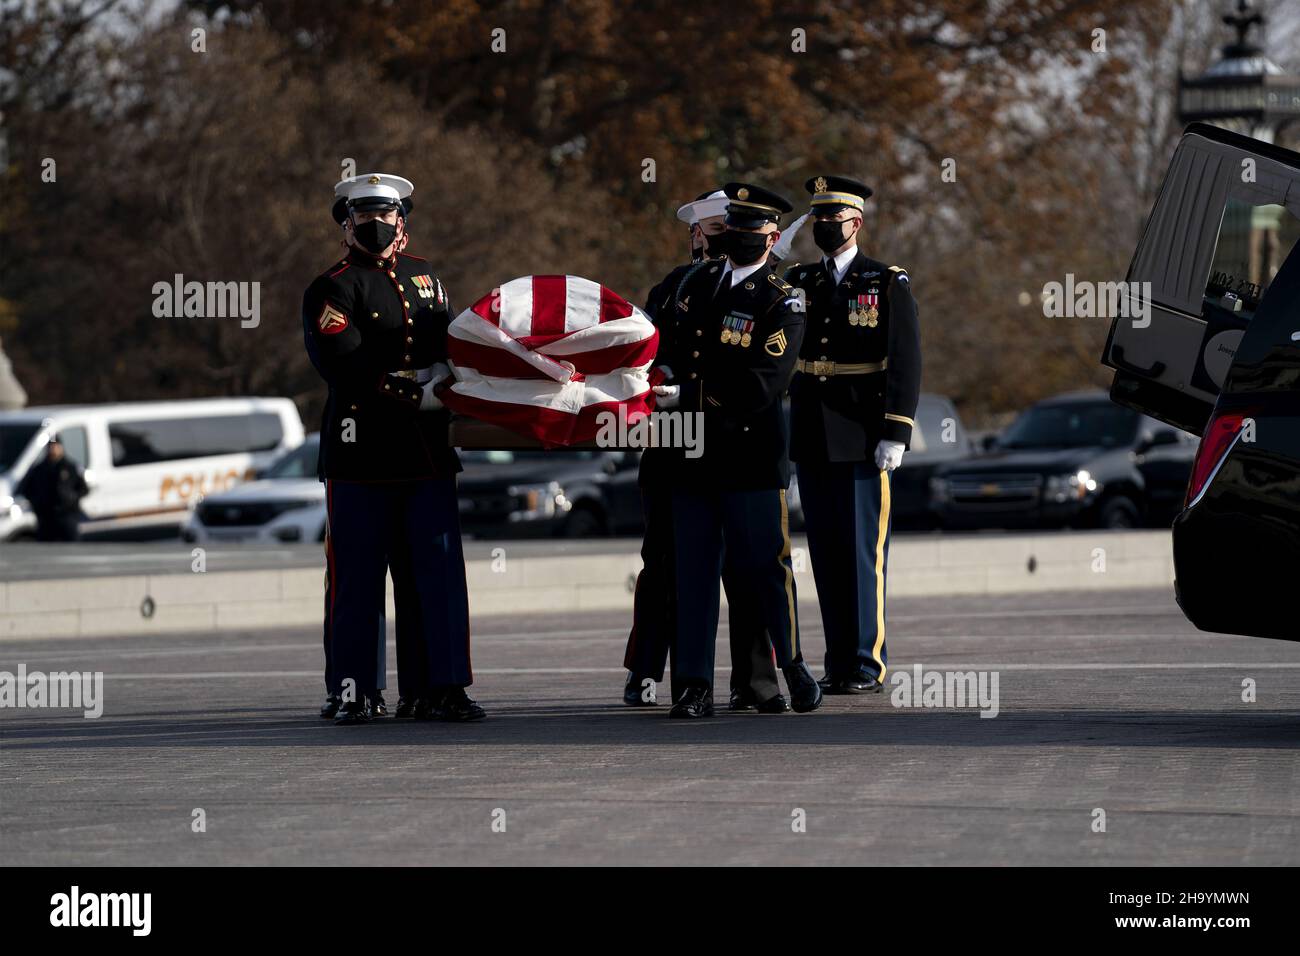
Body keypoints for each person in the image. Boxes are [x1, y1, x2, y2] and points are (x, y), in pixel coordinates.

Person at [303, 171, 483, 724]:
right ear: (348, 223)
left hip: (425, 454)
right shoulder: (331, 288)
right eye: (364, 216)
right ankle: (355, 690)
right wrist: (414, 393)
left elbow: (450, 339)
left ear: (401, 220)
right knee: (356, 579)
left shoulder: (426, 277)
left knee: (438, 574)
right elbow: (345, 363)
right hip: (362, 455)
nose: (377, 225)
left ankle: (439, 688)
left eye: (386, 215)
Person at [652, 182, 822, 718]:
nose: (743, 239)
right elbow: (670, 344)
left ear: (771, 238)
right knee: (694, 573)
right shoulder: (695, 283)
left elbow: (762, 385)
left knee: (765, 569)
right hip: (692, 454)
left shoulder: (783, 298)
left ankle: (792, 665)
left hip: (749, 457)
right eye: (737, 229)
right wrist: (660, 374)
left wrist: (687, 394)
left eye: (753, 232)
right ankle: (693, 686)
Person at [624, 189, 787, 713]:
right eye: (714, 228)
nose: (721, 237)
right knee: (666, 564)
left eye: (730, 227)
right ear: (695, 233)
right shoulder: (676, 286)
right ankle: (650, 672)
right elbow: (649, 351)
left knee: (747, 570)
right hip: (674, 446)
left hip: (736, 446)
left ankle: (754, 679)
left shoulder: (769, 290)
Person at [784, 175, 921, 694]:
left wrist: (896, 431)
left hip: (864, 433)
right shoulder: (801, 280)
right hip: (815, 430)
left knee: (863, 552)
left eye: (833, 220)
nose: (823, 227)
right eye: (817, 219)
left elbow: (905, 361)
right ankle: (839, 658)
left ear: (855, 222)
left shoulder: (885, 281)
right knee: (826, 552)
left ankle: (867, 661)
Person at [19, 438, 87, 541]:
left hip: (67, 514)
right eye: (51, 447)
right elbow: (27, 489)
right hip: (46, 517)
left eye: (56, 446)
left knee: (72, 546)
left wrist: (72, 498)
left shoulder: (70, 467)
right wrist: (37, 503)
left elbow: (83, 489)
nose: (53, 449)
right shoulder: (39, 469)